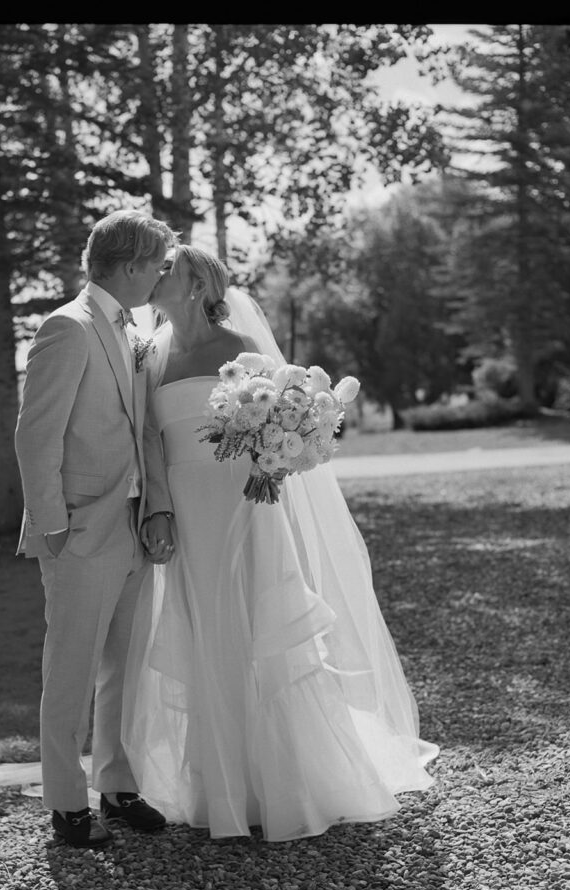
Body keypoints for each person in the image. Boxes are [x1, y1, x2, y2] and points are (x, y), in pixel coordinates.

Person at [122, 245, 439, 842]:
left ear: (195, 286)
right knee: (201, 629)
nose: (156, 276)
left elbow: (285, 432)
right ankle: (221, 784)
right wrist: (158, 509)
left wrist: (276, 458)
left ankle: (285, 780)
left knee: (256, 628)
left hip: (245, 510)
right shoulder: (149, 358)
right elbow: (150, 443)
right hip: (187, 515)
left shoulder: (239, 351)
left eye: (169, 269)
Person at [14, 209, 180, 848]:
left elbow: (143, 431)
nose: (162, 276)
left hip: (133, 527)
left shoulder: (133, 328)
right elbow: (37, 434)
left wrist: (157, 506)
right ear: (132, 265)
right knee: (72, 671)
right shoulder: (68, 327)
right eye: (158, 265)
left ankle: (117, 787)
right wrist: (53, 526)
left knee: (126, 670)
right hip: (80, 533)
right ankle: (65, 804)